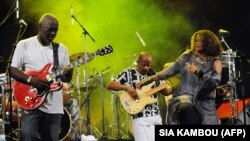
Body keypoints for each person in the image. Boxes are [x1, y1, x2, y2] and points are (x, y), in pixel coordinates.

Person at [137, 29, 223, 125]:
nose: (197, 43)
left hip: (205, 103)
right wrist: (147, 80)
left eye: (200, 40)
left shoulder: (217, 63)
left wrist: (198, 72)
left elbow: (214, 83)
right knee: (186, 108)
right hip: (184, 99)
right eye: (195, 40)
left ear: (209, 42)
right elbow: (168, 71)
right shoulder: (187, 57)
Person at [10, 13, 73, 141]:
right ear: (40, 27)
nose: (53, 33)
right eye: (49, 30)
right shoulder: (24, 45)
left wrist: (68, 74)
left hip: (54, 106)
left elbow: (66, 79)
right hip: (31, 102)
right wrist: (31, 80)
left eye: (55, 30)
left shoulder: (62, 49)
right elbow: (13, 70)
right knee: (28, 137)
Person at [107, 52, 169, 141]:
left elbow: (166, 92)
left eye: (148, 65)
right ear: (137, 62)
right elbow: (110, 85)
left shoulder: (154, 75)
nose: (146, 68)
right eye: (143, 65)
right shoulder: (128, 73)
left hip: (156, 118)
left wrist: (176, 83)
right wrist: (127, 88)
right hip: (140, 119)